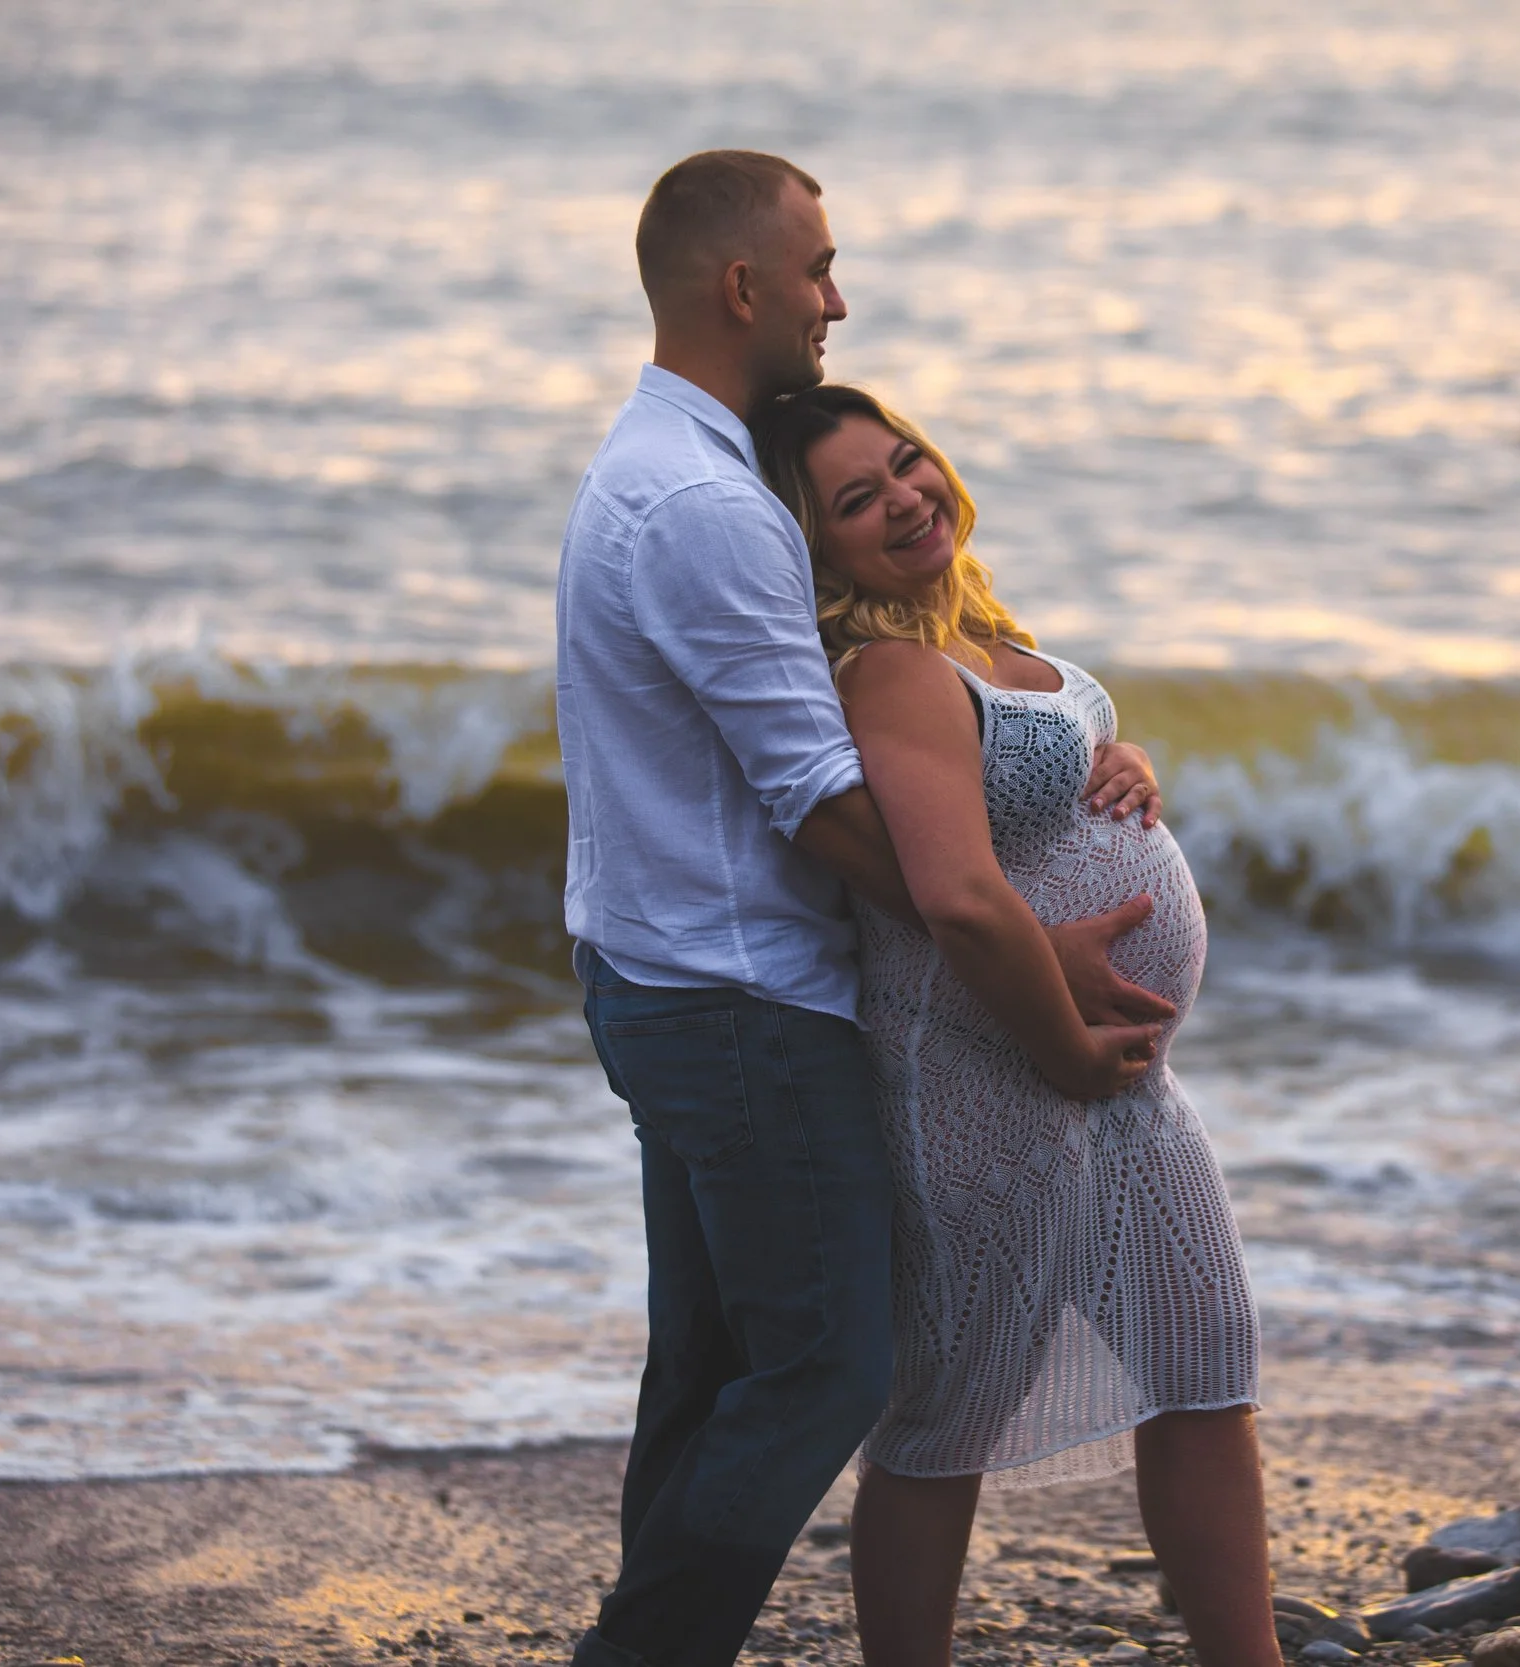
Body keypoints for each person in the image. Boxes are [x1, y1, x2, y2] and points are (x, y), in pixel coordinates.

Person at [555, 151, 1178, 1667]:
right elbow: (819, 802)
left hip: (680, 976)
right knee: (830, 1365)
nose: (838, 300)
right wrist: (1027, 958)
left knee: (711, 1371)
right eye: (819, 269)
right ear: (742, 287)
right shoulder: (703, 505)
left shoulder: (669, 467)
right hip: (741, 1001)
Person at [751, 384, 1282, 1667]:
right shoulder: (888, 669)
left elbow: (1049, 766)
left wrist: (1129, 757)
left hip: (1112, 1080)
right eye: (857, 500)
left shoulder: (980, 631)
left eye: (905, 463)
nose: (903, 498)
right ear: (817, 545)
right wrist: (1060, 1046)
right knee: (949, 1413)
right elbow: (959, 895)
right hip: (990, 1074)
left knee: (1207, 1360)